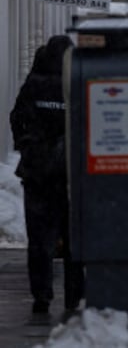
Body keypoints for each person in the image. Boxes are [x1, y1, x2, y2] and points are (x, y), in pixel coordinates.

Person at [8, 36, 82, 317]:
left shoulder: (34, 84)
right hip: (70, 176)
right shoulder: (74, 85)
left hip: (38, 175)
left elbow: (17, 118)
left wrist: (28, 146)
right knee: (74, 238)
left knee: (40, 240)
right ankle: (73, 295)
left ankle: (41, 294)